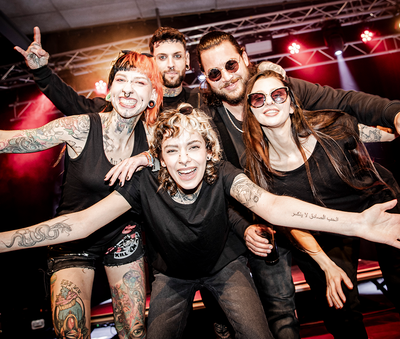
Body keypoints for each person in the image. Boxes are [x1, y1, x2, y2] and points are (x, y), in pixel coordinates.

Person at [1, 104, 400, 339]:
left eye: (194, 147)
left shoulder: (222, 172)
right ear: (158, 157)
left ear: (210, 151)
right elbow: (80, 224)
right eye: (172, 150)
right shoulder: (142, 182)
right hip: (172, 278)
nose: (184, 160)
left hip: (225, 269)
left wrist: (358, 224)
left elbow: (273, 207)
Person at [194, 30, 400, 339]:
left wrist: (393, 114)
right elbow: (275, 208)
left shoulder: (304, 106)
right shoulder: (245, 155)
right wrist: (324, 262)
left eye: (231, 65)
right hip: (311, 221)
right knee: (339, 310)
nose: (226, 76)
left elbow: (350, 108)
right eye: (214, 73)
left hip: (374, 201)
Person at [0, 50, 163, 339]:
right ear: (109, 92)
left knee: (134, 333)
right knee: (72, 334)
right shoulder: (81, 127)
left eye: (139, 82)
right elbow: (12, 142)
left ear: (153, 96)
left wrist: (150, 158)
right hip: (71, 238)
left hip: (123, 235)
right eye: (121, 80)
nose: (128, 89)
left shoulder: (155, 139)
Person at [242, 68, 400, 338]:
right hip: (328, 227)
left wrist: (394, 124)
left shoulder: (330, 127)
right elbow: (290, 221)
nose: (269, 102)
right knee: (339, 309)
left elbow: (377, 133)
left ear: (292, 104)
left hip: (380, 204)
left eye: (278, 95)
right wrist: (327, 265)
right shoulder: (258, 168)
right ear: (251, 111)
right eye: (258, 98)